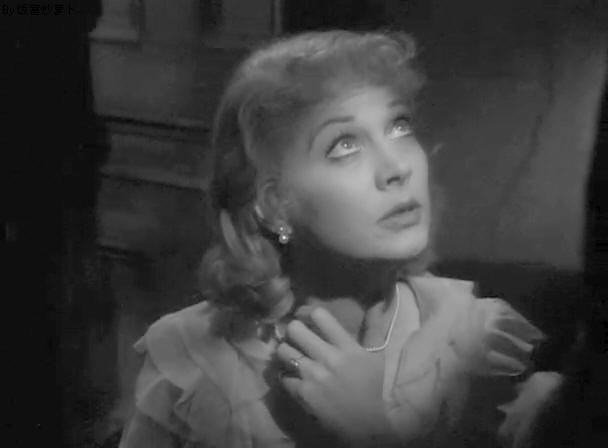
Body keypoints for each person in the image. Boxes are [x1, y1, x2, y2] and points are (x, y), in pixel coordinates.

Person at [118, 30, 557, 448]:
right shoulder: (193, 354)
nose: (397, 168)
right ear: (274, 205)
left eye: (399, 127)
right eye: (345, 145)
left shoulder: (475, 346)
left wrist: (380, 439)